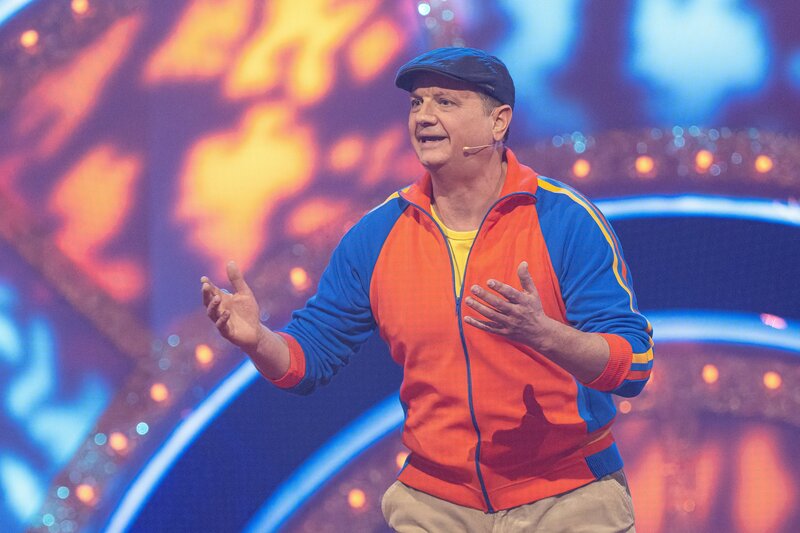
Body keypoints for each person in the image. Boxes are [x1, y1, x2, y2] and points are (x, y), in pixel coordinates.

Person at [201, 47, 653, 532]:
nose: (424, 116)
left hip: (568, 497)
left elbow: (634, 364)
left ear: (498, 121)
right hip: (435, 505)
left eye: (445, 102)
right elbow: (309, 359)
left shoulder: (565, 220)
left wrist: (545, 335)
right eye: (417, 103)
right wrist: (258, 340)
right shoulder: (377, 236)